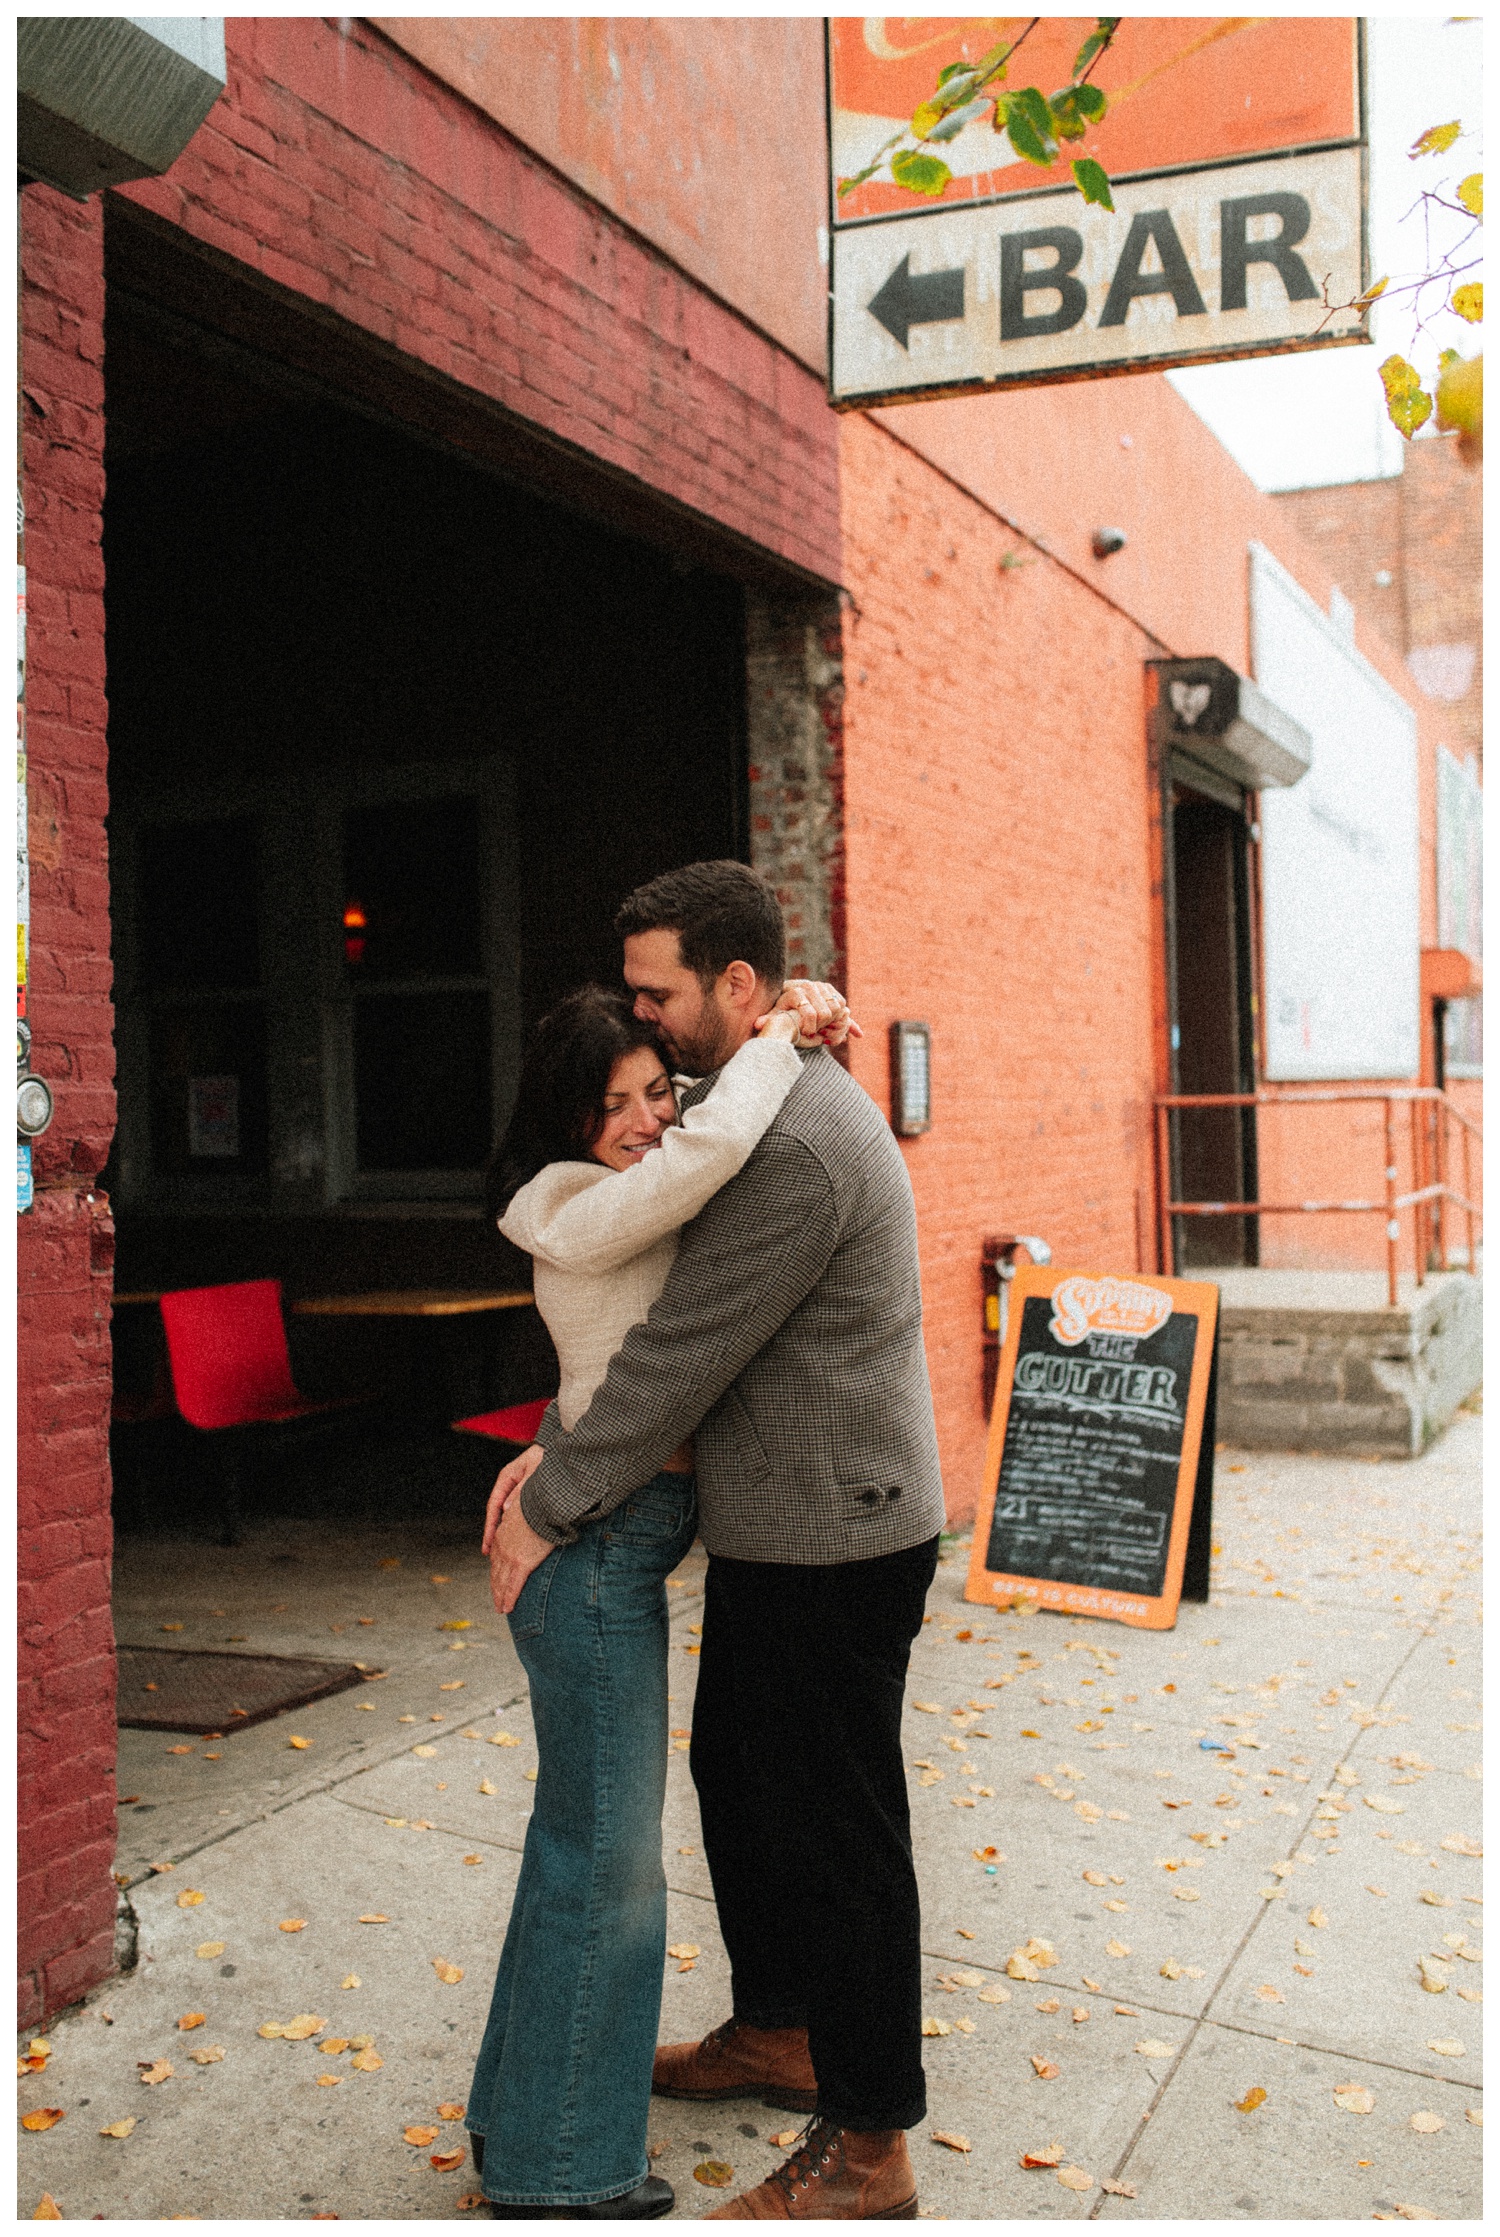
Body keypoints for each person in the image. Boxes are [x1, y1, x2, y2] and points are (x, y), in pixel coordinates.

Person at [486, 861, 947, 2222]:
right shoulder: (749, 1093)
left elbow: (677, 1353)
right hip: (780, 1527)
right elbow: (664, 1173)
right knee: (740, 1774)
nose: (644, 1020)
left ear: (734, 989)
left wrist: (551, 1502)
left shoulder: (792, 1148)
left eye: (658, 993)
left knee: (842, 1834)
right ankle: (782, 2027)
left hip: (839, 1537)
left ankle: (869, 2147)